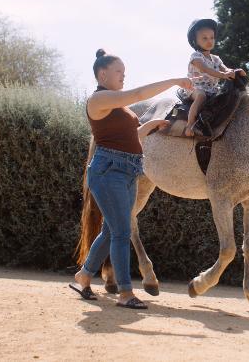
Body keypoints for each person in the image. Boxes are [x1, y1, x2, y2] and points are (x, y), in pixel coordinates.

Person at [69, 49, 192, 309]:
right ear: (103, 74)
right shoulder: (99, 99)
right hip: (108, 171)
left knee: (110, 230)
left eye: (124, 73)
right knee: (122, 232)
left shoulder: (118, 107)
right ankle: (125, 293)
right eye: (119, 72)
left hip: (128, 170)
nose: (123, 76)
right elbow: (138, 95)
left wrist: (151, 126)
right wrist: (174, 81)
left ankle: (84, 275)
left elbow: (132, 137)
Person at [183, 18, 245, 136]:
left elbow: (225, 69)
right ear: (195, 41)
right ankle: (190, 125)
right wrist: (223, 75)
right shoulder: (196, 57)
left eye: (212, 38)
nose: (209, 41)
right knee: (201, 96)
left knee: (227, 97)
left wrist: (234, 71)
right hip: (194, 87)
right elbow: (206, 69)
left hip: (212, 89)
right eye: (204, 38)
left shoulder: (216, 58)